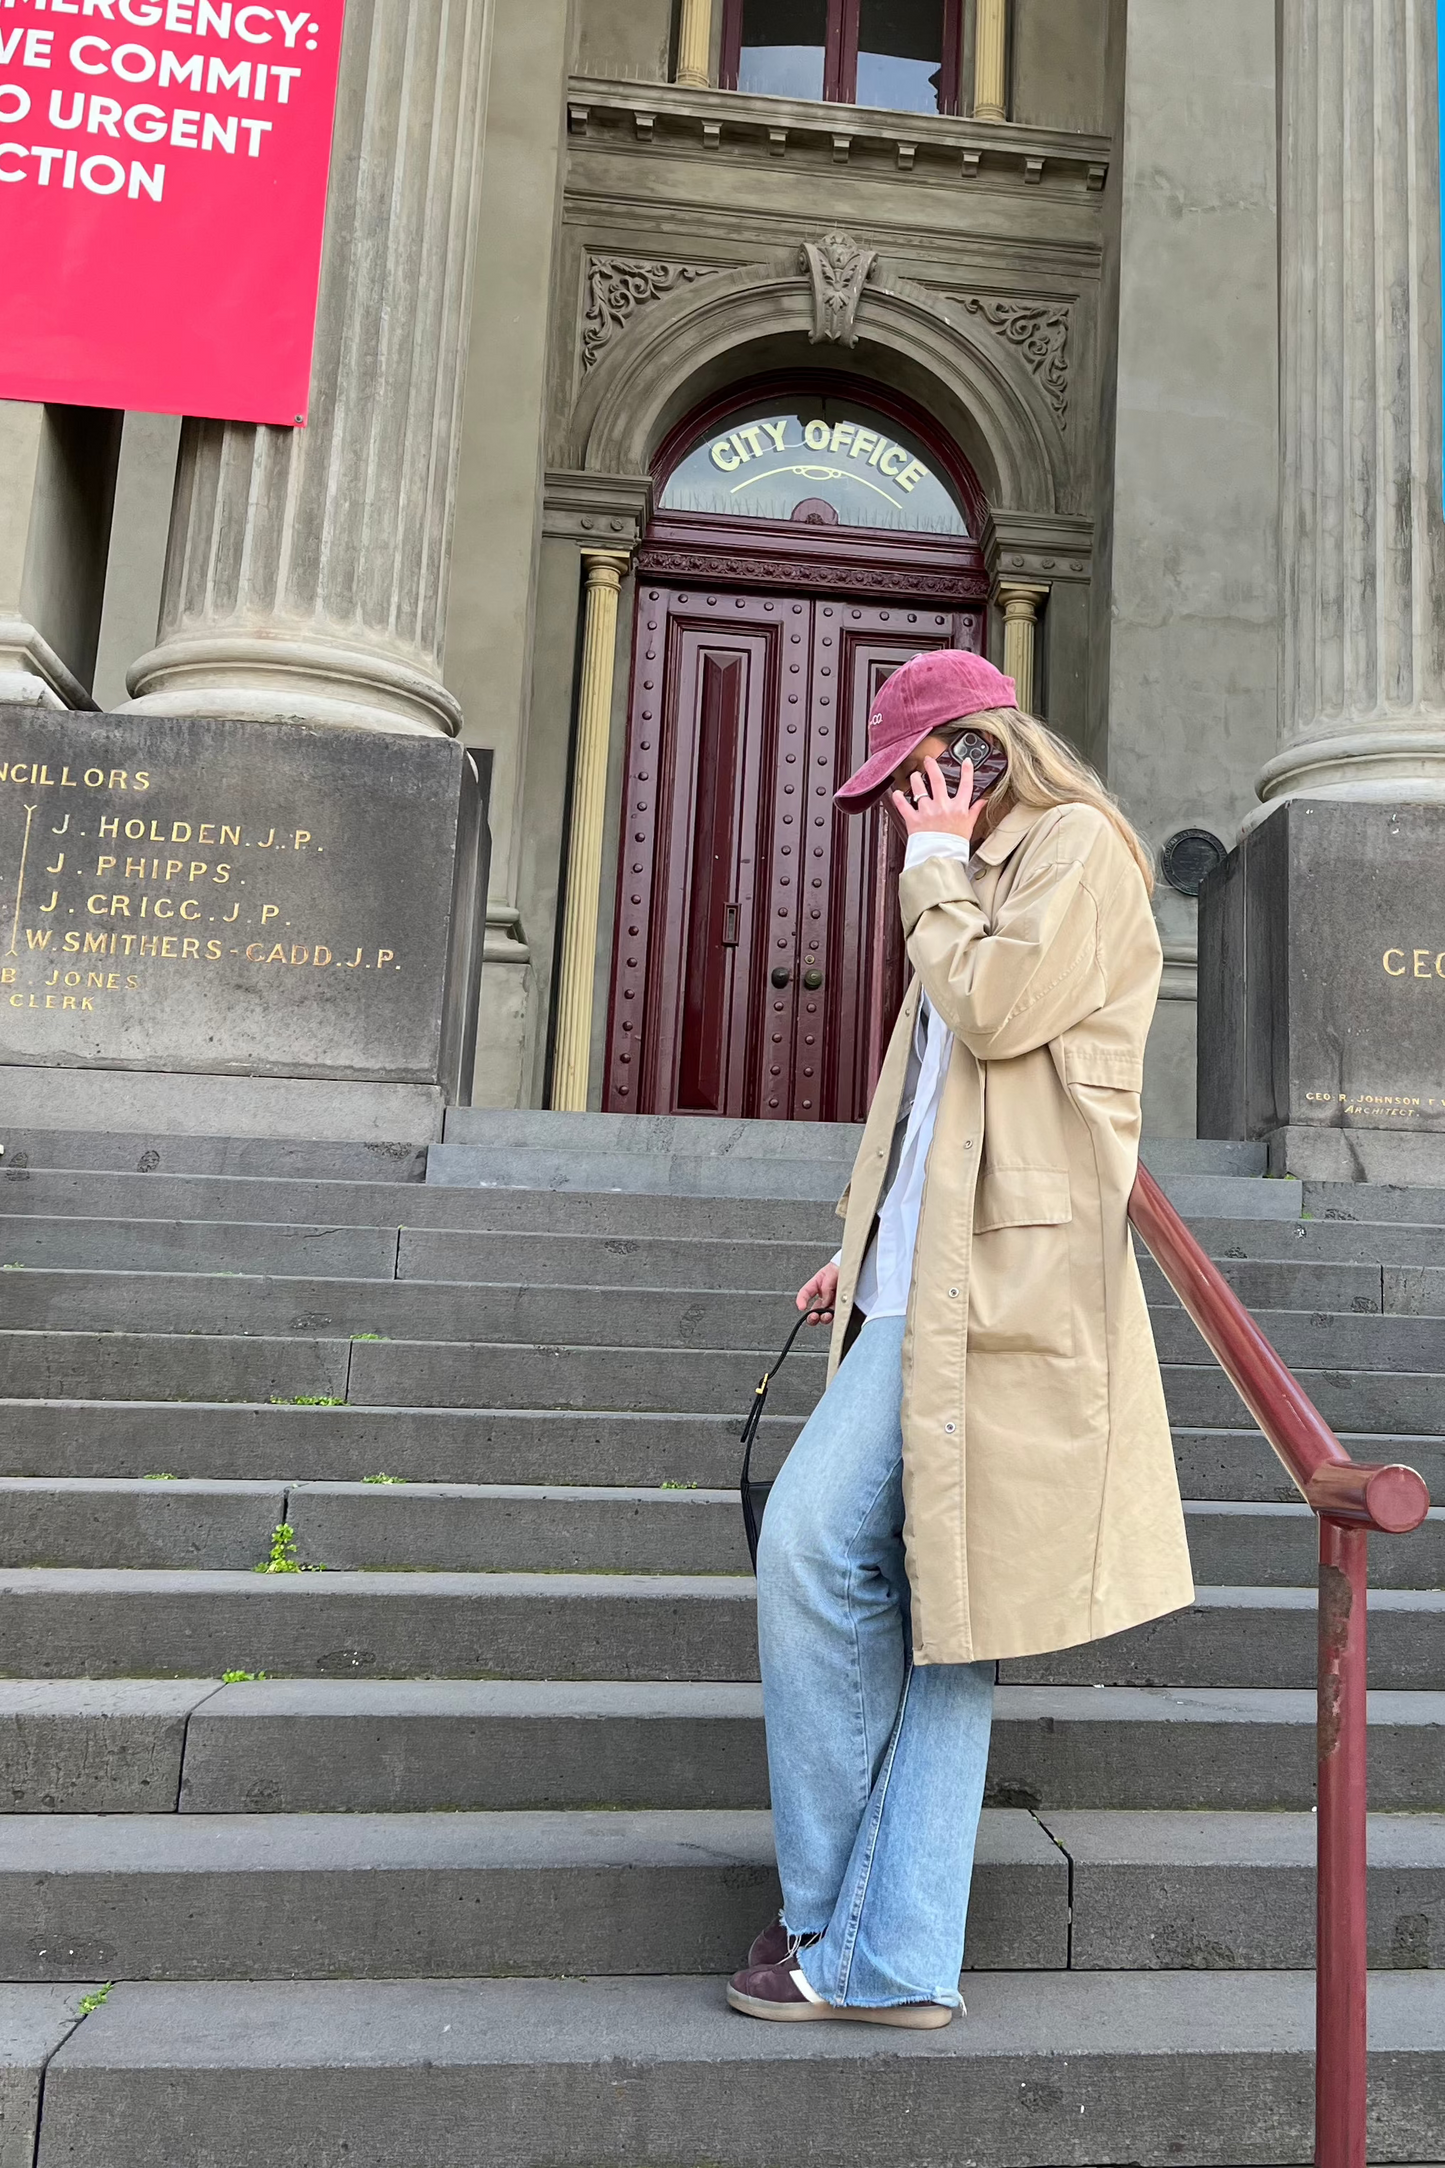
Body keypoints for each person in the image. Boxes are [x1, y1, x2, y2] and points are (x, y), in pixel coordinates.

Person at [727, 647, 1194, 2027]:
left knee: (897, 1584)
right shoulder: (978, 875)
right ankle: (863, 1934)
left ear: (972, 760)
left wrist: (933, 868)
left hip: (1007, 1297)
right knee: (876, 1576)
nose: (898, 815)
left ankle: (858, 1938)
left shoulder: (1076, 857)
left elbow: (994, 1018)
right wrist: (860, 1246)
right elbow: (937, 1106)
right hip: (917, 1282)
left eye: (914, 784)